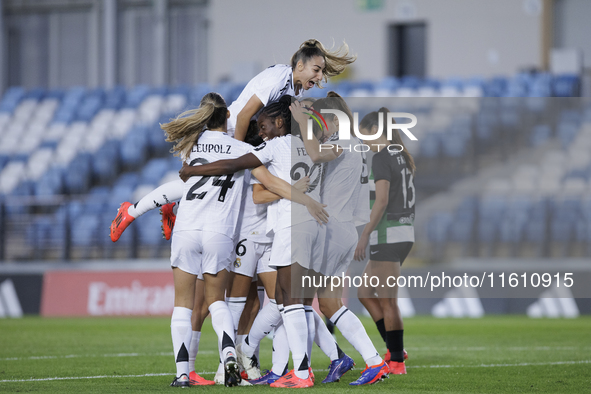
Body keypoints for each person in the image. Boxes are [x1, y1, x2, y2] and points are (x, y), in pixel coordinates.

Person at [110, 39, 355, 242]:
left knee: (212, 184)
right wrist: (236, 150)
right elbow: (245, 115)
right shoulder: (278, 80)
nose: (320, 76)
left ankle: (172, 209)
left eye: (322, 71)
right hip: (230, 132)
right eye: (317, 70)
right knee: (207, 181)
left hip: (247, 138)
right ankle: (130, 211)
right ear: (300, 65)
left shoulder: (295, 88)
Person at [165, 92, 325, 388]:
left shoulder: (272, 147)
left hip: (274, 229)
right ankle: (285, 367)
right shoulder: (306, 146)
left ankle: (293, 370)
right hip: (303, 227)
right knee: (291, 302)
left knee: (284, 302)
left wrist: (192, 171)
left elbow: (232, 167)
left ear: (279, 122)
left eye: (264, 126)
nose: (260, 132)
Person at [290, 94, 390, 385]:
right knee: (317, 303)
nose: (320, 126)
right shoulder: (357, 144)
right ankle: (349, 360)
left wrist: (301, 123)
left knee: (309, 303)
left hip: (330, 228)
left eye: (323, 121)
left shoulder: (341, 142)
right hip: (345, 228)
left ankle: (356, 362)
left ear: (336, 119)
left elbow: (314, 153)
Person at [354, 108, 416, 376]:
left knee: (388, 301)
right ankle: (395, 350)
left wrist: (365, 233)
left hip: (387, 233)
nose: (365, 142)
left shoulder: (381, 157)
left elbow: (381, 199)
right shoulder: (401, 154)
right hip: (403, 233)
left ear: (375, 131)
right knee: (365, 294)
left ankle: (396, 362)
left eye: (366, 136)